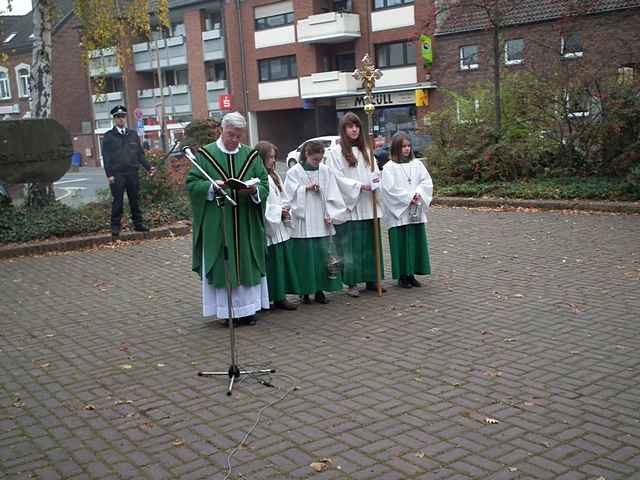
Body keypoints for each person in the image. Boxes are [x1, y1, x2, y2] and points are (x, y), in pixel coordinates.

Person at [186, 111, 270, 326]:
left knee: (247, 259)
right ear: (221, 130)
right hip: (219, 221)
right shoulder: (206, 155)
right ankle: (227, 312)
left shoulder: (251, 155)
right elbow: (193, 185)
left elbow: (263, 182)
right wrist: (212, 187)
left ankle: (249, 310)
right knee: (224, 261)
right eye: (231, 135)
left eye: (238, 136)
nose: (234, 140)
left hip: (245, 221)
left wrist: (253, 191)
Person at [325, 112, 384, 298]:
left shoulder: (367, 151)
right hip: (351, 205)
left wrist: (376, 182)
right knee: (350, 246)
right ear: (343, 130)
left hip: (368, 205)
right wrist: (359, 186)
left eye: (357, 126)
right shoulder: (335, 153)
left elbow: (375, 172)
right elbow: (335, 177)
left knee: (370, 244)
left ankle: (372, 278)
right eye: (350, 126)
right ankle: (351, 282)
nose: (354, 129)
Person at [284, 140, 346, 304]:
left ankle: (320, 290)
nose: (317, 163)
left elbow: (333, 194)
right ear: (306, 155)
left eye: (320, 160)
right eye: (314, 160)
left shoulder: (325, 171)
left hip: (321, 219)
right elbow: (288, 195)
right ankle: (305, 292)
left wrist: (330, 213)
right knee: (305, 258)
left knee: (321, 256)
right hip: (303, 222)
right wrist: (305, 189)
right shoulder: (294, 172)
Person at [380, 131, 433, 288]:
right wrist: (409, 197)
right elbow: (389, 190)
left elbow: (426, 181)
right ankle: (402, 275)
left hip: (414, 209)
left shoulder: (417, 164)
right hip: (399, 212)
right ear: (396, 148)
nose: (407, 149)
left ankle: (412, 274)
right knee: (401, 242)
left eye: (409, 146)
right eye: (403, 146)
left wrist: (419, 194)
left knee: (414, 242)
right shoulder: (389, 167)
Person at [255, 141, 299, 310]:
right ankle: (270, 297)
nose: (274, 160)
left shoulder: (275, 175)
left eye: (274, 157)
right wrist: (277, 211)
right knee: (272, 266)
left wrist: (286, 209)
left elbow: (283, 197)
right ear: (261, 158)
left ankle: (281, 297)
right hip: (270, 229)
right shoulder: (258, 178)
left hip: (280, 227)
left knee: (281, 263)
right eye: (270, 157)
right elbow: (262, 205)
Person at [101, 105, 155, 236]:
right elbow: (106, 157)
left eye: (122, 117)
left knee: (134, 199)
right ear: (114, 119)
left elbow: (140, 154)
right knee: (118, 200)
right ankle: (115, 226)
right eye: (118, 117)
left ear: (125, 118)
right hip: (117, 174)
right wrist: (109, 175)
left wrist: (149, 167)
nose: (120, 120)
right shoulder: (108, 136)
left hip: (132, 173)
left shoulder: (133, 135)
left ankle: (138, 224)